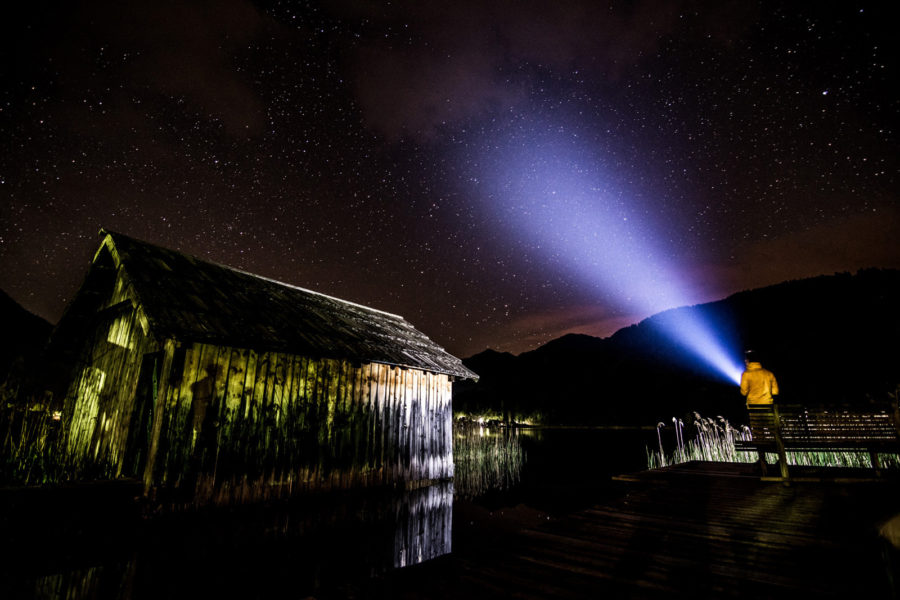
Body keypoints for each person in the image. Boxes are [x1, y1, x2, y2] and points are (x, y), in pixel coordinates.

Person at [740, 350, 779, 474]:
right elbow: (776, 392)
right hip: (768, 409)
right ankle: (780, 460)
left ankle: (762, 461)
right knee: (773, 435)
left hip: (754, 411)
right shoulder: (769, 374)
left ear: (748, 361)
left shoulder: (746, 374)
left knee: (759, 436)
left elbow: (743, 392)